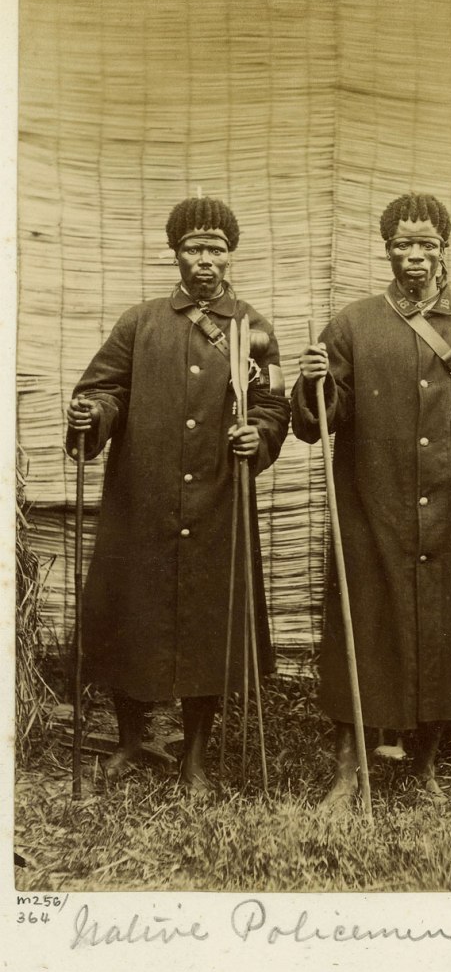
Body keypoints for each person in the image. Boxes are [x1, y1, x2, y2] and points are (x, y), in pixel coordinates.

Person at [292, 192, 451, 807]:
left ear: (443, 249)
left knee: (440, 633)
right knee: (362, 630)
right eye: (403, 244)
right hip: (370, 504)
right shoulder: (352, 324)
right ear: (387, 250)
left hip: (447, 505)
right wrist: (312, 381)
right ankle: (348, 772)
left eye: (426, 244)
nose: (415, 255)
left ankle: (424, 767)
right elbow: (321, 419)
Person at [66, 196, 290, 793]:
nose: (205, 260)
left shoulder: (253, 328)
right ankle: (130, 740)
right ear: (176, 254)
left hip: (218, 498)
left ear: (230, 254)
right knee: (131, 616)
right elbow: (105, 390)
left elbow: (273, 404)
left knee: (207, 627)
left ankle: (194, 756)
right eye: (194, 249)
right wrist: (92, 414)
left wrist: (259, 433)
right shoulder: (140, 323)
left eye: (216, 249)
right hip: (143, 497)